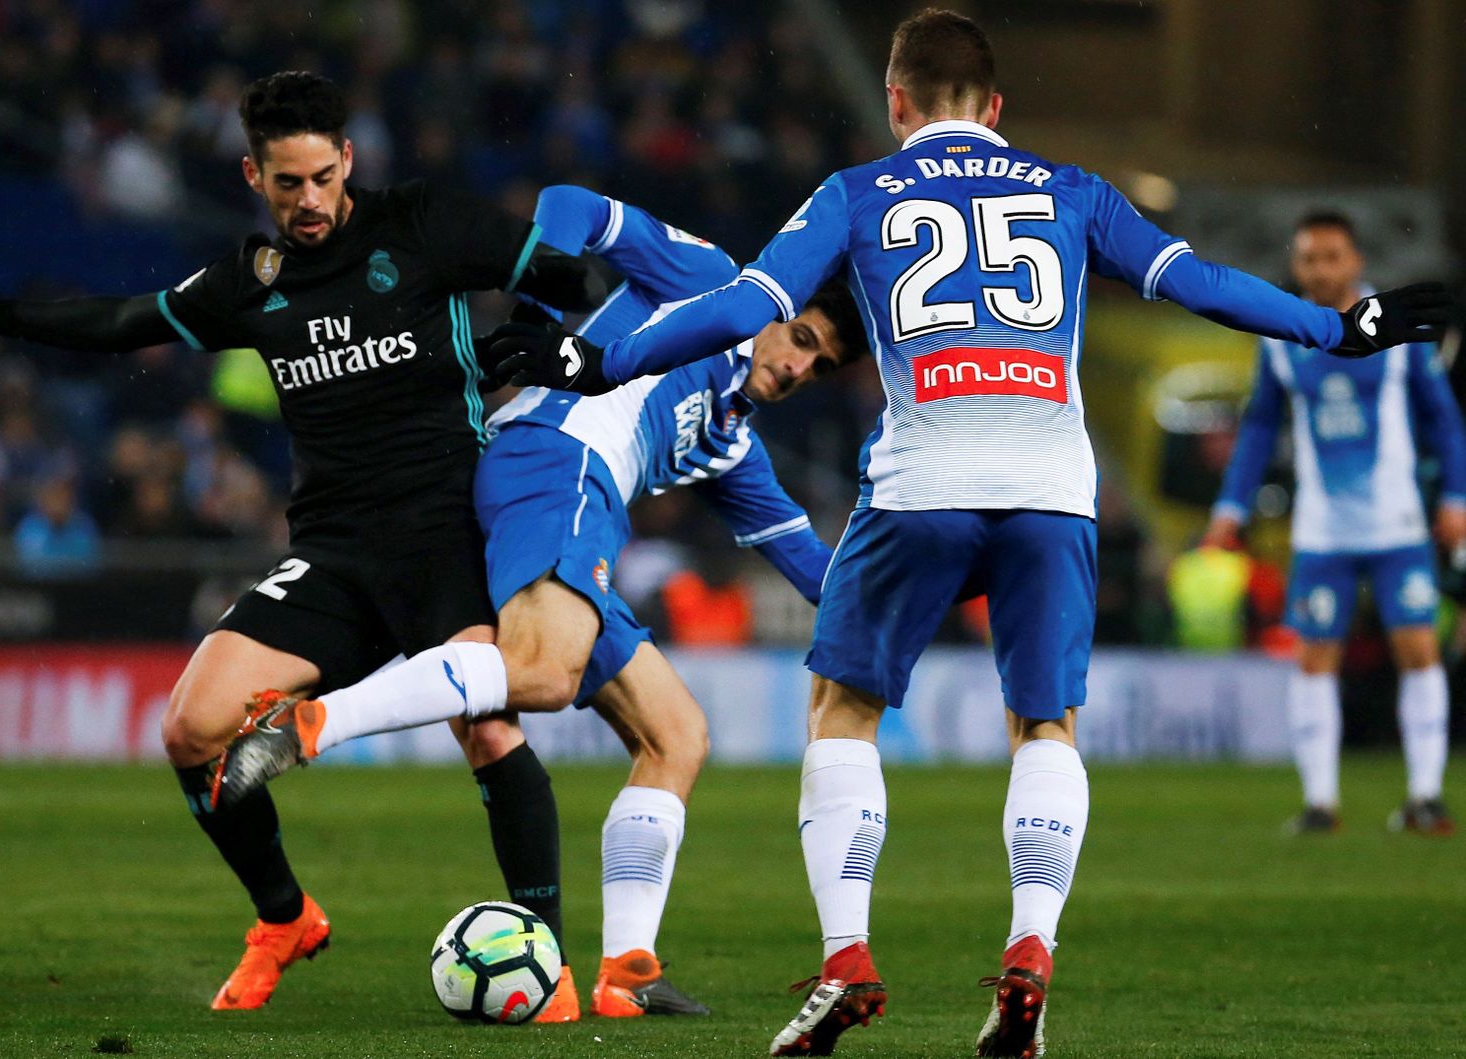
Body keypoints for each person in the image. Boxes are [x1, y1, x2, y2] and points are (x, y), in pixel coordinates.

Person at [482, 10, 1454, 1057]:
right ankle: (1029, 950)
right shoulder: (1073, 190)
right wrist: (1334, 326)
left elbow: (743, 303)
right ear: (995, 107)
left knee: (843, 710)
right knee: (1046, 724)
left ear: (896, 101)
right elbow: (1199, 284)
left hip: (922, 478)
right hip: (1053, 485)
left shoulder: (855, 191)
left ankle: (847, 958)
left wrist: (599, 362)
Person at [0, 71, 607, 1015]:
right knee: (190, 728)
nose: (309, 201)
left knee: (490, 724)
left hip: (447, 536)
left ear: (348, 160)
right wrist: (9, 316)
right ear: (254, 175)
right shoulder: (249, 281)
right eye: (288, 183)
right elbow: (128, 321)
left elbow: (573, 278)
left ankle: (551, 962)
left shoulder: (421, 224)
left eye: (323, 179)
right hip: (334, 553)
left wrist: (542, 336)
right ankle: (285, 917)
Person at [211, 183, 870, 1016]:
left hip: (578, 506)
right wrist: (538, 314)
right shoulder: (709, 278)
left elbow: (818, 571)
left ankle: (627, 970)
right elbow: (573, 206)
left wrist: (932, 584)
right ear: (777, 307)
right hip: (555, 459)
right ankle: (309, 725)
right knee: (546, 673)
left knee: (676, 735)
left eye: (820, 366)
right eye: (802, 338)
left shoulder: (728, 441)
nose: (800, 366)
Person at [1205, 210, 1464, 836]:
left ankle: (1425, 796)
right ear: (1296, 266)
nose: (1321, 270)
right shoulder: (1280, 334)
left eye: (1332, 257)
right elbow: (1259, 425)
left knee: (1418, 649)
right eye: (1309, 259)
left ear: (1355, 262)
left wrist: (1457, 496)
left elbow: (1442, 416)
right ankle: (1320, 803)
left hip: (1398, 523)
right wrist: (1230, 509)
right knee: (1315, 657)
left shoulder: (1397, 327)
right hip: (1322, 531)